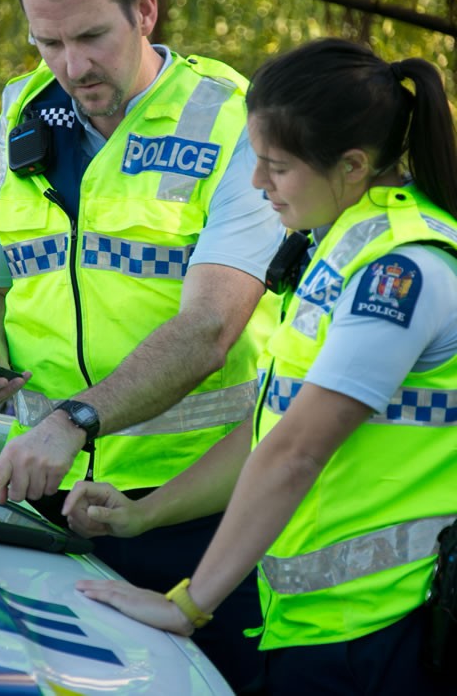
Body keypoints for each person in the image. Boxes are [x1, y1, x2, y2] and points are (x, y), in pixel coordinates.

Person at [0, 0, 284, 691]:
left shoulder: (236, 122)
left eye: (92, 36)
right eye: (47, 42)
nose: (71, 65)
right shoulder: (19, 117)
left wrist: (73, 421)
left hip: (199, 510)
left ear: (146, 10)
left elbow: (209, 327)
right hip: (43, 504)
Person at [63, 38, 457, 696]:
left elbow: (295, 453)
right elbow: (270, 433)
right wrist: (144, 513)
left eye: (276, 166)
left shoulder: (401, 270)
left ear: (353, 165)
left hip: (381, 639)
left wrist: (185, 604)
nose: (256, 183)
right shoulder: (339, 246)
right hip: (320, 632)